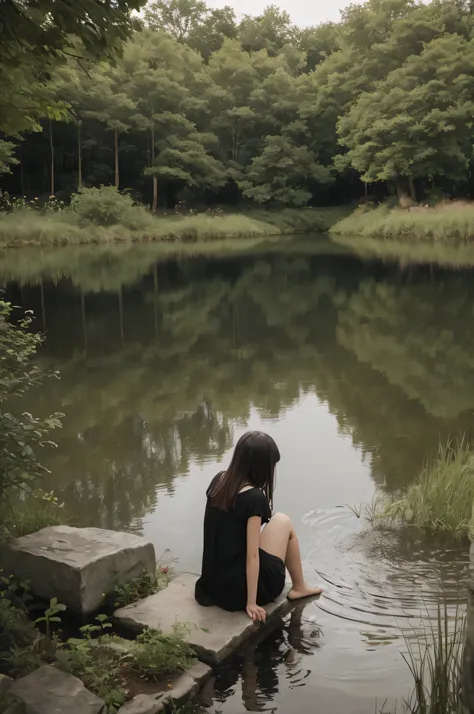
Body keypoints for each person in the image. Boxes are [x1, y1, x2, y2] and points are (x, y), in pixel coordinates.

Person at [195, 431, 322, 623]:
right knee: (283, 521)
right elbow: (252, 556)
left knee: (276, 522)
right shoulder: (254, 498)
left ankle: (300, 587)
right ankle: (299, 587)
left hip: (212, 585)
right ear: (262, 466)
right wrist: (251, 603)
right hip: (238, 591)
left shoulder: (219, 481)